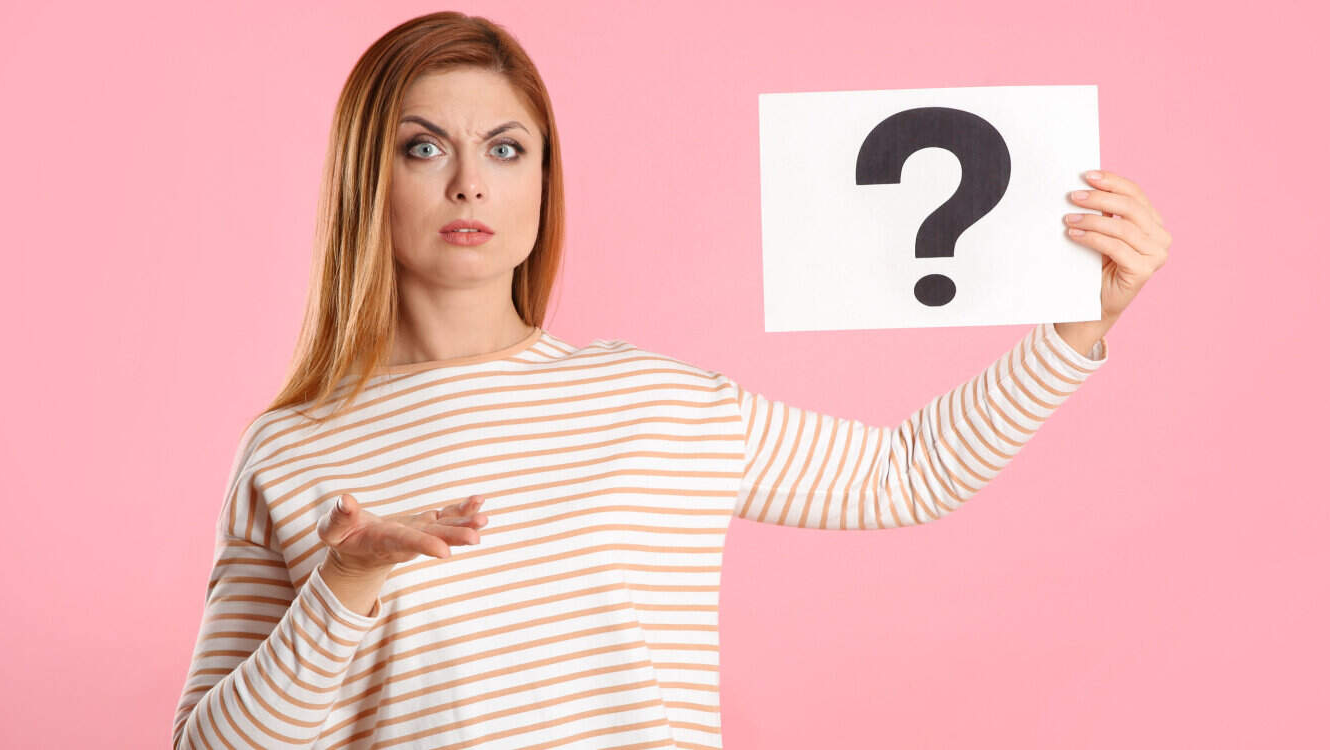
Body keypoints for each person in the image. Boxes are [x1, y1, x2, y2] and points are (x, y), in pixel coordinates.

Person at [171, 11, 1170, 750]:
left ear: (541, 183)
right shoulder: (291, 451)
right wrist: (345, 585)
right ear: (365, 180)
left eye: (506, 148)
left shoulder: (661, 403)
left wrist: (1079, 325)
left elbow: (906, 475)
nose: (469, 181)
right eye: (422, 146)